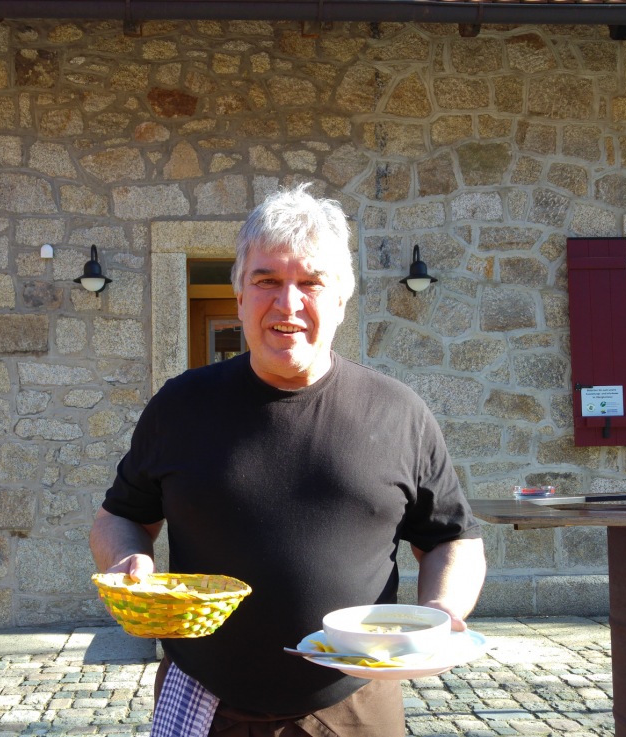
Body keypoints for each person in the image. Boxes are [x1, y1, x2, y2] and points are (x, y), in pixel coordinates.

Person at [90, 183, 486, 737]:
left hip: (355, 708)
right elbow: (122, 516)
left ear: (342, 300)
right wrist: (123, 564)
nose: (288, 304)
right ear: (239, 297)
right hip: (205, 704)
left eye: (311, 283)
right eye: (267, 281)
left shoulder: (399, 412)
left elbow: (451, 538)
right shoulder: (180, 405)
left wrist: (442, 611)